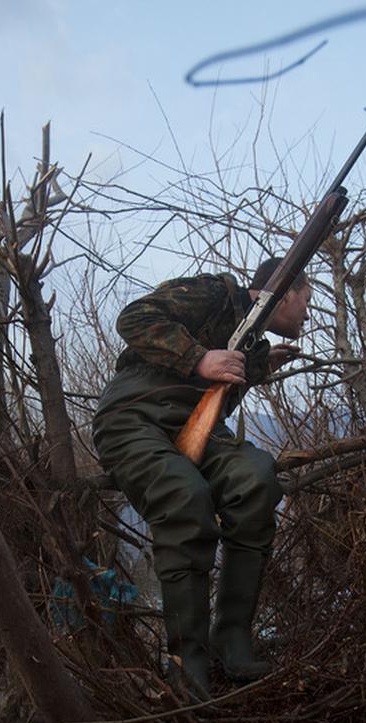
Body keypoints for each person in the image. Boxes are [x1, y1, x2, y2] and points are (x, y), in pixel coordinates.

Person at [92, 257, 312, 699]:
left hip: (196, 427)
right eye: (306, 300)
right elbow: (134, 318)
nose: (307, 313)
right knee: (185, 496)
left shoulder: (253, 343)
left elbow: (219, 400)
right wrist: (200, 358)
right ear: (284, 292)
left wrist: (258, 366)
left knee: (257, 477)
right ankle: (186, 663)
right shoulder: (216, 293)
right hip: (133, 417)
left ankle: (232, 639)